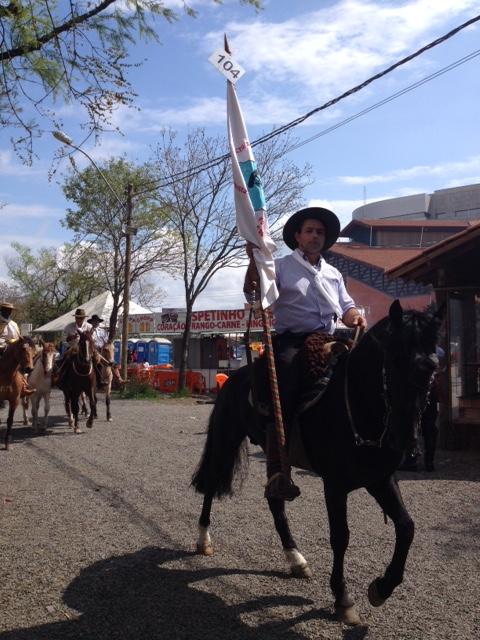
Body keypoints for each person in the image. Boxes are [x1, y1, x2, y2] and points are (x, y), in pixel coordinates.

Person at [244, 207, 367, 498]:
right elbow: (253, 294)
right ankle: (278, 466)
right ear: (297, 236)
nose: (315, 236)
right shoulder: (281, 267)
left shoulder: (334, 273)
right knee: (285, 376)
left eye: (320, 232)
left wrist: (354, 318)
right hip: (293, 340)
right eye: (309, 231)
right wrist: (253, 262)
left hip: (329, 337)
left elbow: (346, 307)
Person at [0, 301, 35, 397]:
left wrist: (27, 347)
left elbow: (20, 338)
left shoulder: (14, 324)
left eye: (10, 310)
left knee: (24, 360)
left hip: (15, 347)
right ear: (1, 310)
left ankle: (23, 385)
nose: (8, 312)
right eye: (6, 309)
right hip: (1, 347)